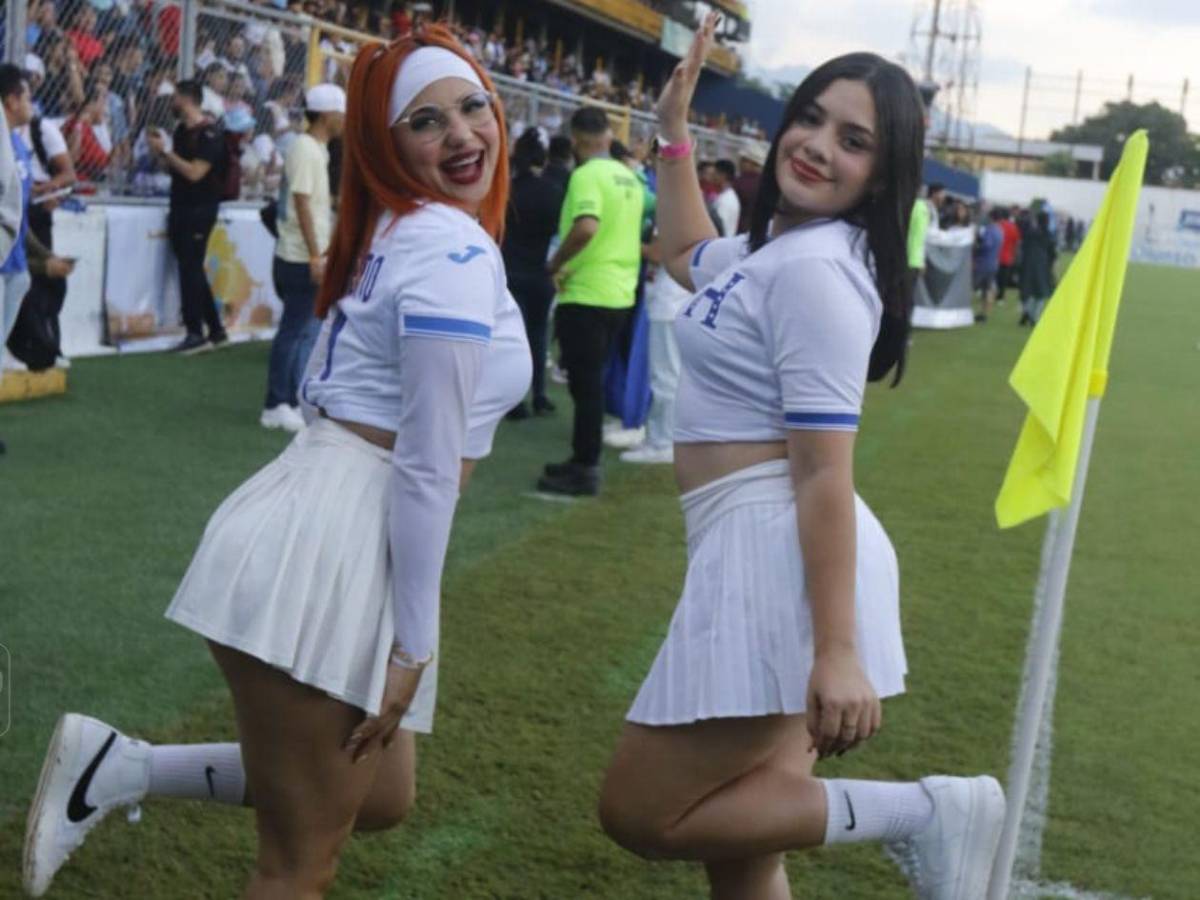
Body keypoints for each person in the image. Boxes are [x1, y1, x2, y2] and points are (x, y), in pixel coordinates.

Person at [23, 24, 531, 899]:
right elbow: (425, 465)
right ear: (387, 144)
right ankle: (116, 769)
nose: (461, 134)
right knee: (298, 868)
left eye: (472, 107)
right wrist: (414, 642)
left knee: (382, 797)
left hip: (335, 527)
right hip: (333, 542)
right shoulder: (447, 249)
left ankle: (119, 767)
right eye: (426, 121)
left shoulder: (420, 232)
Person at [597, 16, 1005, 900]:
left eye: (853, 141)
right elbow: (682, 254)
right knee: (745, 858)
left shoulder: (817, 272)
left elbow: (823, 472)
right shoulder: (778, 252)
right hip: (752, 545)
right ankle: (925, 814)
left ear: (883, 173)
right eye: (812, 118)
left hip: (776, 556)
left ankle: (927, 813)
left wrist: (837, 651)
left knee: (642, 811)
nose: (818, 146)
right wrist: (674, 131)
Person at [539, 105, 645, 496]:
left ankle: (585, 466)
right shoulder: (630, 177)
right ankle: (582, 458)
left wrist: (555, 262)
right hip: (620, 292)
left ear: (577, 140)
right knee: (591, 383)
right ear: (608, 135)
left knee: (585, 387)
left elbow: (586, 226)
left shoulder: (586, 175)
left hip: (587, 291)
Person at [260, 82, 345, 433]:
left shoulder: (314, 149)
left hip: (304, 254)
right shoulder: (307, 149)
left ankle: (291, 400)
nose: (344, 121)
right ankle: (276, 403)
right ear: (327, 115)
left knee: (303, 331)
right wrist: (314, 255)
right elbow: (302, 203)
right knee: (294, 331)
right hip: (299, 256)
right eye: (341, 114)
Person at [148, 79, 229, 355]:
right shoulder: (182, 131)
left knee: (190, 268)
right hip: (181, 205)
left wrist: (166, 152)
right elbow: (178, 169)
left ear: (187, 99)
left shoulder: (210, 134)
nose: (171, 103)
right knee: (191, 266)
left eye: (175, 97)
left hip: (200, 207)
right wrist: (162, 154)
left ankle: (195, 332)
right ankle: (215, 329)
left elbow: (195, 172)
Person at [503, 127, 565, 419]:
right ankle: (539, 394)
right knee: (538, 336)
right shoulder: (553, 192)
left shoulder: (508, 190)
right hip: (542, 272)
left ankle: (515, 401)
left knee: (512, 338)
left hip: (511, 271)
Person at [1018, 210, 1056, 326]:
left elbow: (1023, 247)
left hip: (1028, 264)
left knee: (1027, 290)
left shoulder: (1030, 233)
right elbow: (1052, 253)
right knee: (1041, 292)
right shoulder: (1049, 235)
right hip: (1043, 265)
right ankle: (1034, 316)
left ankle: (1027, 312)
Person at [972, 207, 1003, 323]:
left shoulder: (989, 230)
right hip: (993, 263)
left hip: (983, 263)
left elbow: (986, 245)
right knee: (988, 290)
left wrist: (976, 247)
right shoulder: (1000, 231)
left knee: (971, 286)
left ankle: (964, 311)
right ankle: (984, 314)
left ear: (990, 217)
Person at [732, 144, 764, 234]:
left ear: (753, 163)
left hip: (740, 228)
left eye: (743, 160)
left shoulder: (740, 182)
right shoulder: (767, 183)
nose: (739, 163)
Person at [710, 157, 740, 238]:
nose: (712, 177)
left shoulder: (726, 200)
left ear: (723, 175)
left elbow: (719, 227)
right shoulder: (725, 195)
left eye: (715, 173)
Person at [996, 205, 1020, 304]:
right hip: (1007, 256)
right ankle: (1000, 297)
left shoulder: (998, 225)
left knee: (996, 276)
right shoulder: (1013, 227)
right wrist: (1014, 255)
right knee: (1004, 278)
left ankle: (991, 293)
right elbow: (1016, 242)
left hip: (997, 255)